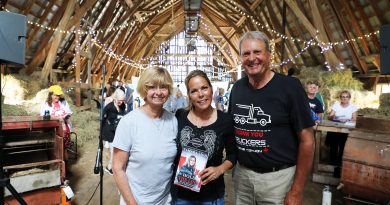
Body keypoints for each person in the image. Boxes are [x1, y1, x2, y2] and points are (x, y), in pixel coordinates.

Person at [228, 31, 314, 205]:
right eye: (246, 53)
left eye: (257, 52)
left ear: (268, 55)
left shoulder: (290, 87)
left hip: (278, 181)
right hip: (242, 178)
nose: (252, 58)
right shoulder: (237, 88)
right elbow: (231, 129)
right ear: (241, 58)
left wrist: (296, 191)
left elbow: (308, 141)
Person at [112, 67, 177, 205]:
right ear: (144, 89)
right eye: (152, 87)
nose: (158, 92)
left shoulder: (173, 120)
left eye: (163, 87)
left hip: (165, 201)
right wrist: (132, 203)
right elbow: (118, 168)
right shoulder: (128, 122)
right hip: (136, 200)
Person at [173, 70, 236, 205]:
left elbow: (233, 155)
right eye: (194, 91)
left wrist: (220, 169)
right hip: (181, 196)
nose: (201, 94)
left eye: (204, 88)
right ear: (189, 95)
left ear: (211, 89)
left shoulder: (226, 120)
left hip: (211, 196)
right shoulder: (180, 116)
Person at [325, 90, 357, 176]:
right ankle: (333, 163)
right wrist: (333, 116)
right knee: (333, 146)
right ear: (340, 98)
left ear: (349, 98)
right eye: (343, 97)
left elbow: (354, 119)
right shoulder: (336, 105)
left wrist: (348, 119)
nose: (344, 98)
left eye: (346, 97)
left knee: (343, 147)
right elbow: (330, 116)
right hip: (336, 128)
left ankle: (341, 164)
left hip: (346, 129)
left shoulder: (353, 107)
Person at [102, 89, 127, 175]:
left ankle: (114, 166)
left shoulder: (123, 105)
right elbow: (104, 120)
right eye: (119, 100)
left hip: (119, 131)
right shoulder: (109, 107)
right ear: (115, 98)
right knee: (113, 150)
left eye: (123, 100)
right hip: (110, 132)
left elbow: (123, 115)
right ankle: (109, 168)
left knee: (118, 150)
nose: (121, 102)